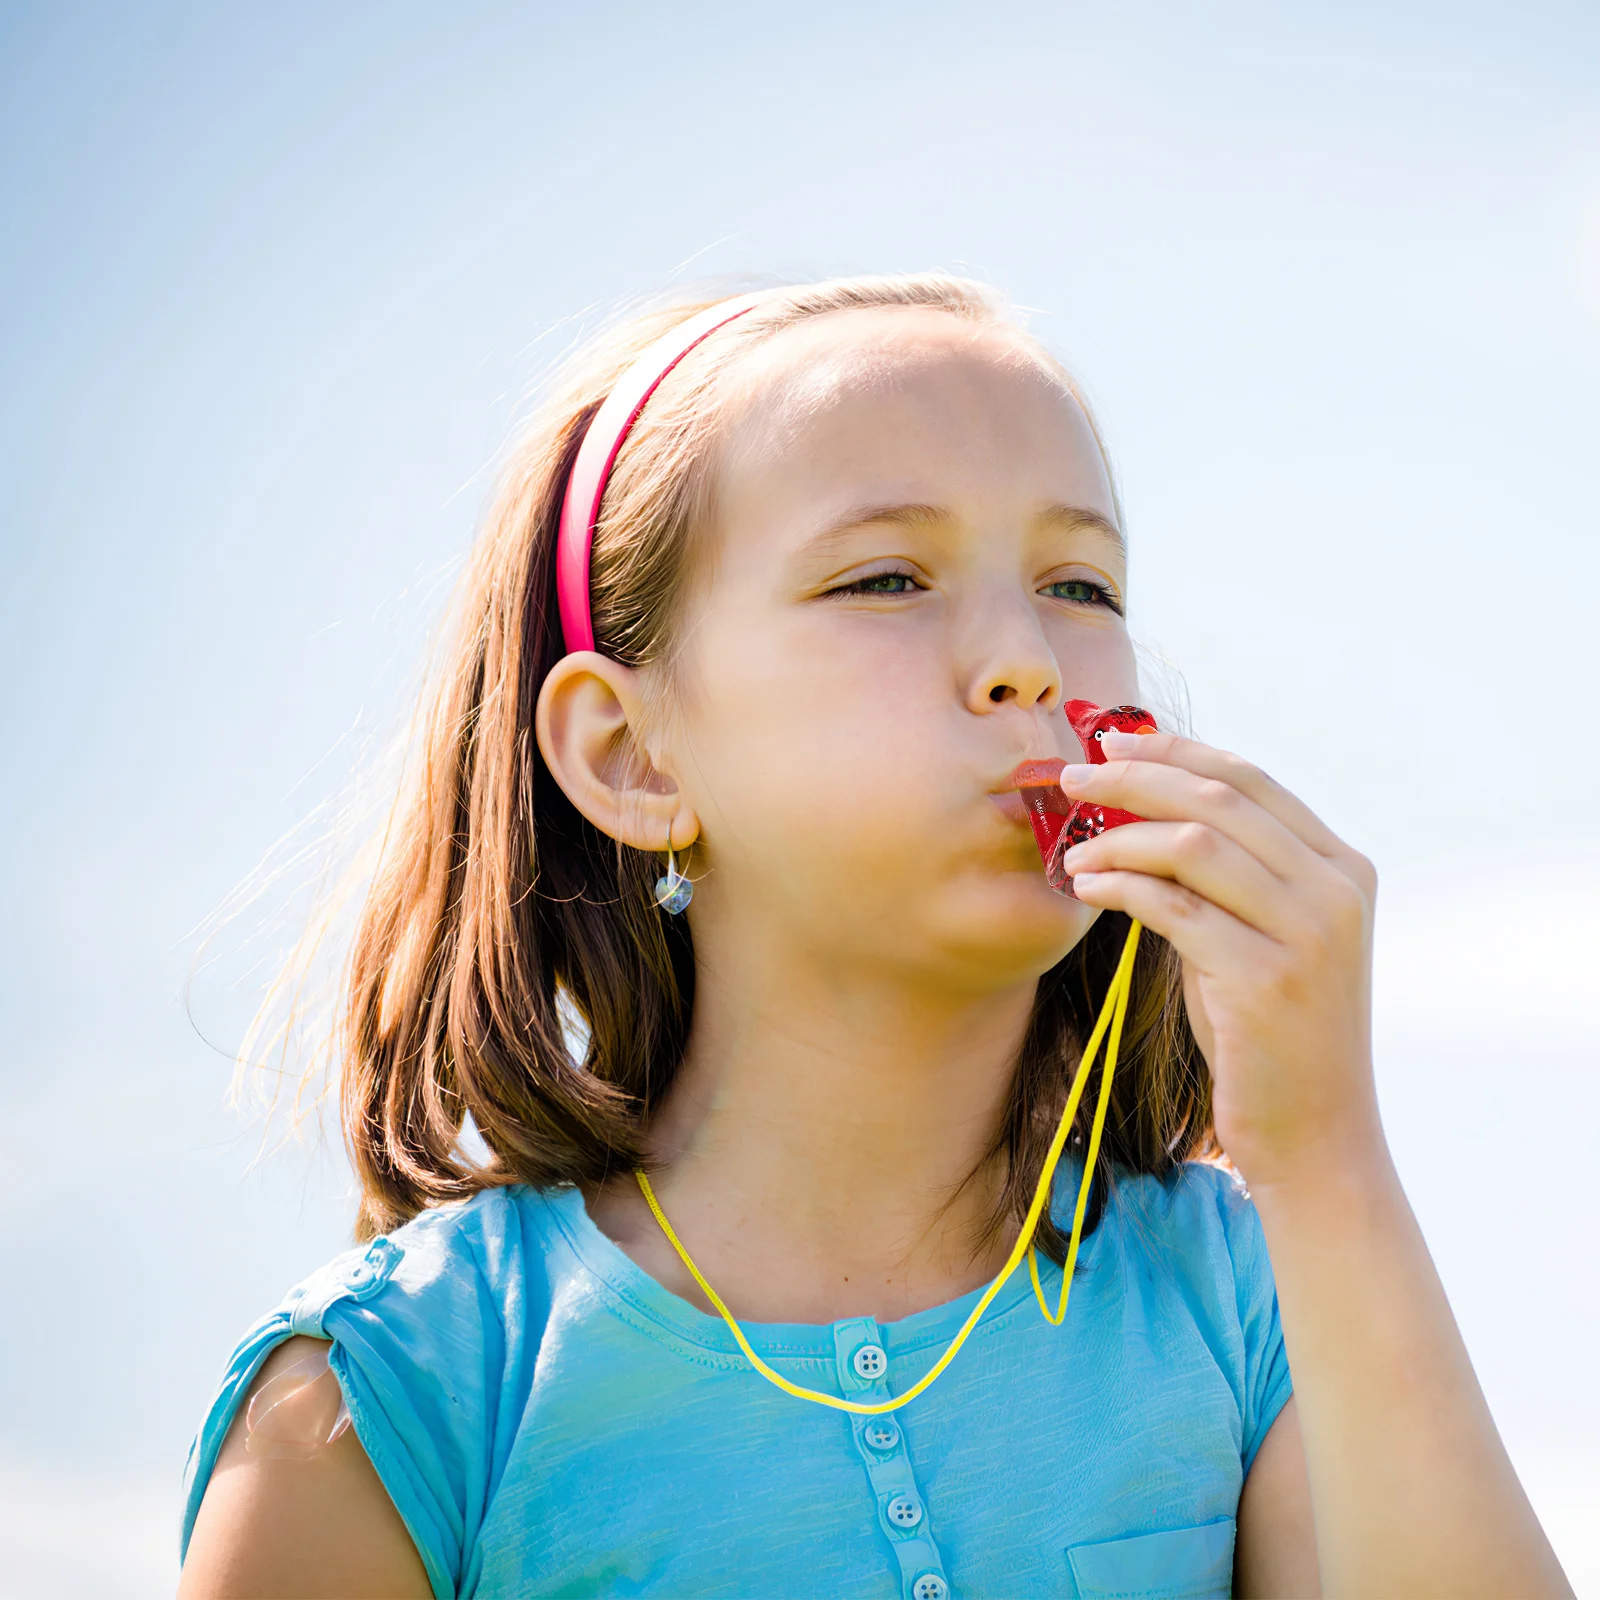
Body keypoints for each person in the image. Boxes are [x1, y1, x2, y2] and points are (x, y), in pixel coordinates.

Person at [177, 275, 1570, 1599]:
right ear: (632, 755)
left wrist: (1327, 1155)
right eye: (888, 579)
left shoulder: (1253, 1300)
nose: (1025, 656)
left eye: (1080, 586)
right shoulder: (392, 1406)